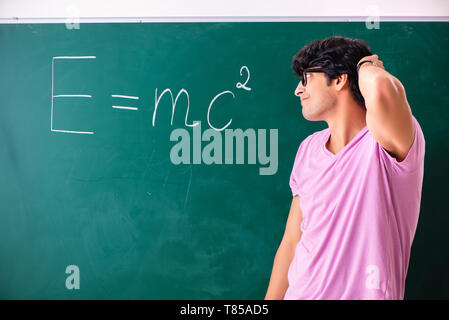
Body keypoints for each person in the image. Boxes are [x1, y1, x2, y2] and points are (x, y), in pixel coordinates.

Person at [265, 36, 425, 300]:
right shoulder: (308, 148)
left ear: (340, 79)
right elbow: (292, 240)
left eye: (306, 78)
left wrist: (365, 65)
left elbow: (383, 88)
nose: (298, 90)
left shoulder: (386, 140)